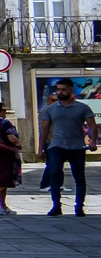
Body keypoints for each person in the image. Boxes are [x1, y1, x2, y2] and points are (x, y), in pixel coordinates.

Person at [37, 80, 93, 217]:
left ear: (71, 90)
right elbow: (44, 129)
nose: (60, 92)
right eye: (58, 89)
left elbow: (92, 125)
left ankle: (79, 206)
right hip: (56, 146)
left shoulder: (82, 108)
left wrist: (93, 141)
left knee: (79, 177)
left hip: (77, 146)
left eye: (63, 89)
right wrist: (40, 148)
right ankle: (56, 205)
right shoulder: (50, 109)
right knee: (55, 174)